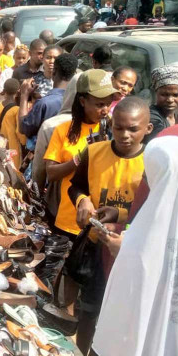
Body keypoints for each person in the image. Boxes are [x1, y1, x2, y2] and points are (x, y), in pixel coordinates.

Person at [92, 135, 178, 356]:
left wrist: (123, 251)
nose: (144, 179)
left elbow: (121, 326)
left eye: (147, 173)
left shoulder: (144, 236)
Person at [68, 97, 152, 355]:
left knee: (122, 316)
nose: (125, 135)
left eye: (133, 129)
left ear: (148, 129)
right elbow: (76, 185)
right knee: (90, 309)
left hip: (132, 251)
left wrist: (120, 213)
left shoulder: (152, 162)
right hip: (96, 246)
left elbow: (154, 208)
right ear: (110, 125)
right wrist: (82, 200)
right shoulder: (94, 152)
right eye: (119, 128)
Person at [44, 69, 116, 237]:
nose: (105, 109)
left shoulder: (116, 129)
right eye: (99, 104)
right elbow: (51, 173)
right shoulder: (63, 131)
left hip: (104, 224)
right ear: (83, 101)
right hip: (69, 221)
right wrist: (79, 159)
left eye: (108, 103)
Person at [18, 53, 78, 138]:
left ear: (53, 72)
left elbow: (22, 128)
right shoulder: (81, 101)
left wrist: (24, 95)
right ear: (75, 73)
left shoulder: (44, 104)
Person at [0, 78, 26, 168]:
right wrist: (24, 142)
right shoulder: (17, 110)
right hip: (13, 145)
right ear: (18, 91)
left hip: (1, 144)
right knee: (13, 168)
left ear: (5, 90)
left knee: (2, 167)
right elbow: (19, 131)